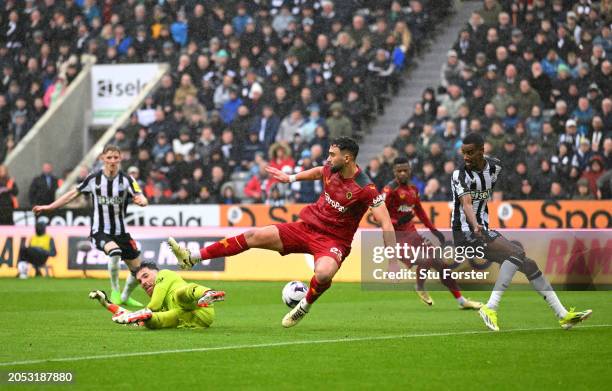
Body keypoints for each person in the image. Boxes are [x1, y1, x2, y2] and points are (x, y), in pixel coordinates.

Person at [169, 137, 396, 328]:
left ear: (347, 158)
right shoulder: (330, 169)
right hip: (306, 227)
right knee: (253, 236)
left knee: (324, 273)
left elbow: (385, 221)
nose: (328, 158)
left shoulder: (366, 188)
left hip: (333, 240)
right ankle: (192, 257)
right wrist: (291, 178)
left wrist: (392, 250)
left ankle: (304, 306)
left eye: (332, 154)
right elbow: (319, 172)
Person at [452, 133, 591, 331]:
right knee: (516, 253)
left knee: (528, 264)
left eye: (470, 152)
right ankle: (490, 307)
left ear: (482, 151)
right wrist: (475, 224)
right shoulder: (459, 175)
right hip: (465, 231)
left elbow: (492, 190)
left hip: (482, 228)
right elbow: (466, 204)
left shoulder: (495, 166)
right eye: (463, 153)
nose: (465, 157)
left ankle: (563, 315)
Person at [33, 145, 148, 307]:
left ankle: (124, 296)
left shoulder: (127, 180)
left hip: (121, 233)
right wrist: (50, 207)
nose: (113, 161)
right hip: (99, 231)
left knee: (139, 270)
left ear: (120, 158)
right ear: (103, 159)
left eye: (116, 157)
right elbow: (72, 194)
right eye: (109, 158)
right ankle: (115, 291)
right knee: (114, 252)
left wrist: (142, 201)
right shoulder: (94, 179)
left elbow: (141, 196)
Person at [382, 157, 482, 309]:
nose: (402, 173)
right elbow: (377, 216)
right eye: (399, 171)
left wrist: (434, 231)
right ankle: (420, 287)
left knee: (440, 264)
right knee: (425, 260)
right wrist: (399, 222)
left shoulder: (413, 190)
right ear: (394, 172)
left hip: (412, 235)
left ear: (410, 171)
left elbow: (420, 212)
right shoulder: (389, 190)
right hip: (395, 239)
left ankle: (462, 301)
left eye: (405, 170)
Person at [89, 262, 225, 329]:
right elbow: (131, 316)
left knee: (180, 295)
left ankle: (208, 292)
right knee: (153, 321)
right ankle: (148, 319)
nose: (143, 283)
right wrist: (106, 303)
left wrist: (139, 315)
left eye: (146, 276)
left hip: (200, 305)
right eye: (140, 281)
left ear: (157, 273)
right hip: (199, 320)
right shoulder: (155, 299)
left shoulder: (164, 274)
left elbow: (154, 305)